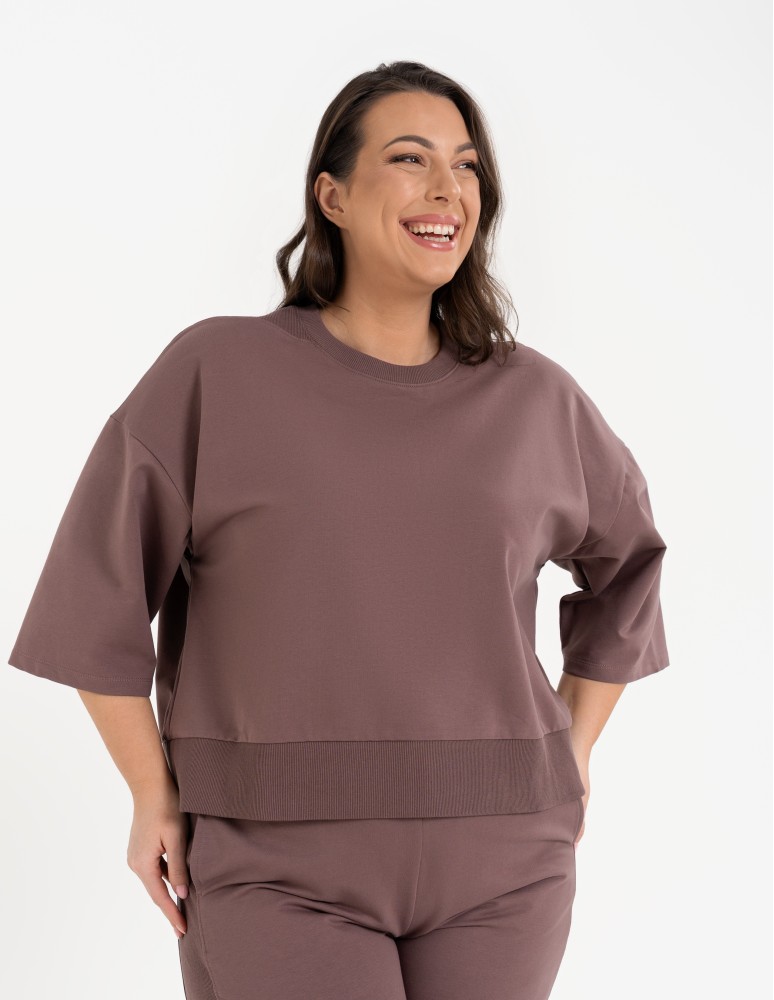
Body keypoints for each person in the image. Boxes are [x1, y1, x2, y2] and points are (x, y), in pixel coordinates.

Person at [8, 60, 670, 1000]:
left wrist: (574, 745)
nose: (447, 189)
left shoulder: (536, 398)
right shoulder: (216, 371)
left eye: (467, 166)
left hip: (508, 865)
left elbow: (630, 564)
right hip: (273, 868)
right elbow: (93, 598)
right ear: (333, 196)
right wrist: (151, 790)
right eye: (410, 159)